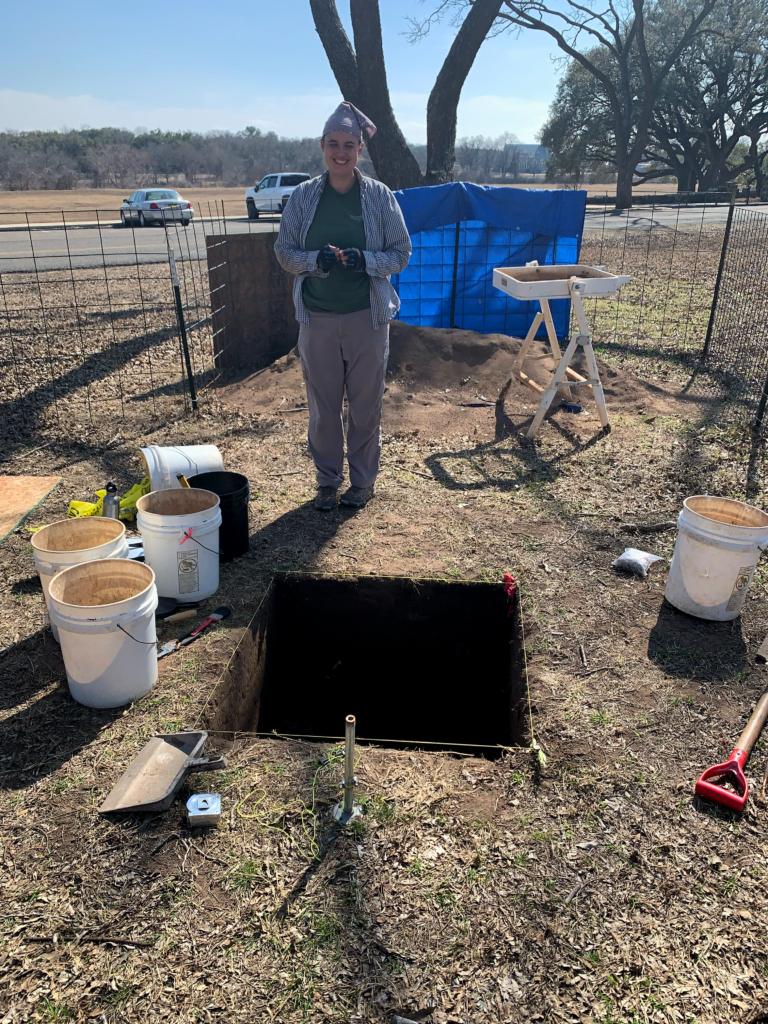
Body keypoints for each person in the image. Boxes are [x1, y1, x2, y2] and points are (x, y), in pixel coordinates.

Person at [274, 101, 411, 510]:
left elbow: (401, 252)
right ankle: (327, 480)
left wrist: (364, 260)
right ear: (322, 146)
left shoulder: (379, 197)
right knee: (324, 407)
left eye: (349, 145)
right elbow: (284, 251)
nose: (341, 152)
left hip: (366, 319)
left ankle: (363, 481)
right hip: (316, 318)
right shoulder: (302, 197)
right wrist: (317, 259)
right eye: (333, 144)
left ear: (360, 151)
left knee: (366, 405)